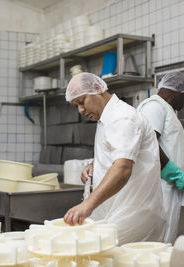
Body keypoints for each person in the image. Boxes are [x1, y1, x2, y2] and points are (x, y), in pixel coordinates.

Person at [63, 72, 166, 244]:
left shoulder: (123, 117)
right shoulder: (106, 118)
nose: (80, 110)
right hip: (116, 212)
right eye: (76, 106)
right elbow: (117, 152)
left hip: (133, 217)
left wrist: (87, 204)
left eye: (82, 102)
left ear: (97, 89)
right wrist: (95, 164)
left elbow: (123, 168)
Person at [137, 71, 184, 243]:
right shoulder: (155, 106)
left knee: (168, 241)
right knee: (159, 243)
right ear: (176, 91)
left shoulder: (165, 109)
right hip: (161, 189)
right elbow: (148, 145)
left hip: (170, 188)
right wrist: (173, 172)